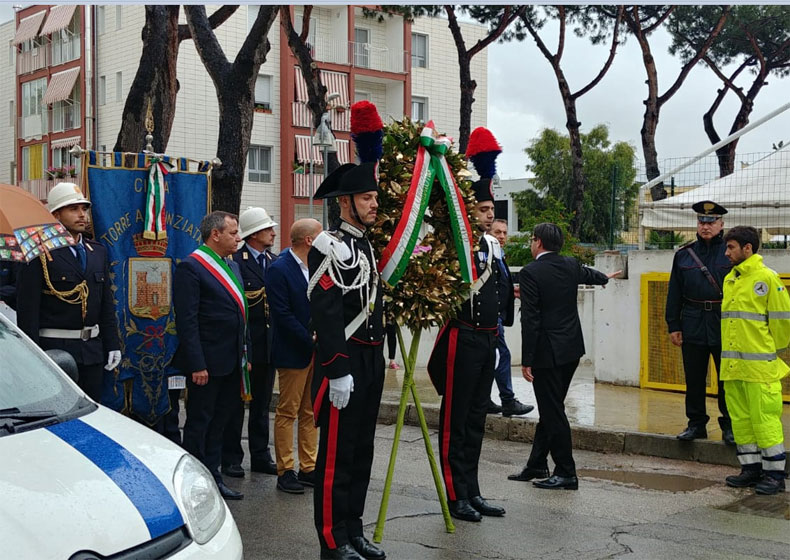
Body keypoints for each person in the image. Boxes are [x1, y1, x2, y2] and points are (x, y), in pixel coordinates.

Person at [308, 99, 386, 560]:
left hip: (370, 360)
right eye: (367, 199)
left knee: (361, 452)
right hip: (345, 363)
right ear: (346, 203)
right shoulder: (329, 246)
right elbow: (326, 312)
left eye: (375, 198)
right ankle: (331, 540)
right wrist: (337, 369)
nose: (375, 205)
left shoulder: (367, 248)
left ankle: (353, 529)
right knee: (335, 460)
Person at [427, 127, 510, 523]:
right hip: (461, 336)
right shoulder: (453, 246)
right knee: (455, 420)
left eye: (491, 210)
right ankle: (454, 492)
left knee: (477, 418)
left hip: (486, 339)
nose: (489, 214)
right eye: (481, 210)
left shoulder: (492, 247)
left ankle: (472, 490)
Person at [510, 223, 616, 490]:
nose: (531, 244)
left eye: (532, 240)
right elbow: (589, 274)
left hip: (546, 353)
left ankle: (566, 471)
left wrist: (527, 359)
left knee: (553, 411)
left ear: (538, 243)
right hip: (571, 350)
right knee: (552, 407)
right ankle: (536, 463)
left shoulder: (531, 272)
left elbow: (531, 319)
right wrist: (604, 278)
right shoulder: (569, 264)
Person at [17, 182, 120, 401]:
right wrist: (34, 357)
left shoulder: (97, 252)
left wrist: (112, 344)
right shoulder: (40, 254)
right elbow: (28, 312)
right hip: (55, 352)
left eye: (84, 209)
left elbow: (105, 305)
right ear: (56, 215)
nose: (82, 215)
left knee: (92, 415)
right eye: (73, 209)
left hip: (92, 353)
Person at [174, 211, 247, 500]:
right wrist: (197, 364)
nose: (238, 238)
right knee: (200, 421)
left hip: (231, 360)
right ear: (215, 234)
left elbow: (242, 314)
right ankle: (194, 481)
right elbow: (187, 320)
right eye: (233, 233)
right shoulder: (192, 267)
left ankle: (214, 475)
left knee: (221, 421)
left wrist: (245, 354)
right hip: (207, 362)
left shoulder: (232, 266)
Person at [720, 226, 789, 495]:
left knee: (765, 420)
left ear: (747, 249)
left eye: (731, 247)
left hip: (760, 367)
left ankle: (774, 474)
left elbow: (782, 323)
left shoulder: (768, 278)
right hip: (734, 366)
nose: (727, 253)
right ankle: (750, 468)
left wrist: (770, 349)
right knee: (741, 420)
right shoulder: (731, 279)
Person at [665, 200, 734, 444]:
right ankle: (696, 424)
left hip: (723, 322)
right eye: (702, 221)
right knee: (694, 377)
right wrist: (673, 325)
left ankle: (729, 425)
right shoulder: (685, 255)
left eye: (711, 221)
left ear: (721, 224)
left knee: (727, 377)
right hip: (693, 320)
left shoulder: (730, 251)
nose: (706, 226)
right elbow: (675, 291)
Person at [221, 207, 279, 478]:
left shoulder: (274, 261)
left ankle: (260, 455)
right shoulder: (236, 261)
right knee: (235, 405)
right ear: (254, 234)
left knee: (262, 404)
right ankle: (232, 457)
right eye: (268, 229)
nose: (273, 233)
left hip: (267, 346)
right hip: (245, 346)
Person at [267, 218, 322, 494]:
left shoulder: (318, 265)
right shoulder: (279, 268)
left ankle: (308, 467)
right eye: (320, 235)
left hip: (316, 350)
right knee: (288, 410)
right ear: (309, 240)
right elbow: (282, 313)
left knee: (310, 411)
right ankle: (285, 469)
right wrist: (308, 338)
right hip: (293, 349)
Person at [487, 218, 533, 417]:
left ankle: (485, 399)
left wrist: (511, 291)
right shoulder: (488, 254)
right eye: (498, 232)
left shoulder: (498, 254)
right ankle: (507, 400)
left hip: (496, 317)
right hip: (492, 318)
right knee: (501, 356)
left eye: (505, 233)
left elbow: (499, 284)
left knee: (493, 358)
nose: (502, 236)